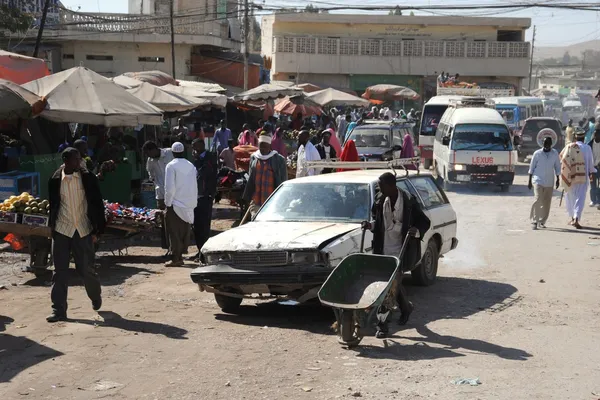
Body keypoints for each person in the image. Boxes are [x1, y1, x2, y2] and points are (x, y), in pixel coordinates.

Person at [362, 172, 430, 338]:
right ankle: (406, 307)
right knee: (391, 284)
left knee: (389, 289)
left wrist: (416, 231)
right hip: (383, 249)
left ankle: (382, 325)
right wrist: (370, 225)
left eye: (381, 185)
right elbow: (377, 221)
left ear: (391, 186)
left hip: (401, 250)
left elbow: (424, 222)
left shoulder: (408, 201)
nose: (379, 188)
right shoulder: (379, 200)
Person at [47, 148, 106, 322]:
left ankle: (95, 295)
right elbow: (53, 204)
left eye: (80, 159)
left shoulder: (87, 178)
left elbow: (97, 203)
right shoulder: (55, 180)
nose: (80, 162)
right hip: (62, 230)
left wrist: (98, 229)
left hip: (83, 229)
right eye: (76, 159)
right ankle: (58, 310)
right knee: (59, 272)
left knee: (86, 270)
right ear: (66, 161)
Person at [164, 142, 198, 267]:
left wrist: (167, 203)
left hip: (175, 203)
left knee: (174, 231)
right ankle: (180, 255)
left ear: (172, 153)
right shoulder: (191, 165)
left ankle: (176, 258)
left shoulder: (171, 166)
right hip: (188, 203)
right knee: (184, 230)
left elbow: (169, 188)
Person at [243, 134, 287, 218]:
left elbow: (283, 180)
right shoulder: (254, 157)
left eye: (265, 147)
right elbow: (251, 179)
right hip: (256, 201)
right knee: (256, 222)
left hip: (272, 202)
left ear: (270, 146)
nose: (262, 149)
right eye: (261, 146)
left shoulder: (278, 159)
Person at [560, 129, 597, 229]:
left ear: (575, 137)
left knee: (570, 198)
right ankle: (576, 218)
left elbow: (562, 159)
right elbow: (590, 163)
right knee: (580, 199)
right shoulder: (587, 148)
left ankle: (573, 218)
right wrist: (592, 173)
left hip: (570, 177)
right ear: (584, 137)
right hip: (582, 177)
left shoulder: (568, 146)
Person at [190, 138, 217, 262]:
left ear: (201, 145)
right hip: (196, 195)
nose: (194, 149)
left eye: (195, 146)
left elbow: (205, 173)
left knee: (204, 225)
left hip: (206, 196)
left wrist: (198, 159)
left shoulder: (210, 157)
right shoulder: (196, 158)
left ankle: (204, 253)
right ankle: (199, 250)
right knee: (197, 225)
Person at [528, 137, 561, 230]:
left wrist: (558, 179)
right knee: (538, 199)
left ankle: (542, 221)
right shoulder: (537, 153)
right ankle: (535, 221)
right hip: (538, 180)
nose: (546, 145)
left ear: (551, 144)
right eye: (545, 143)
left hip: (549, 181)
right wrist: (529, 181)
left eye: (548, 143)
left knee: (547, 202)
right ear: (542, 143)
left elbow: (557, 167)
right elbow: (531, 168)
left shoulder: (554, 154)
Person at [143, 141, 174, 211]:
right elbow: (149, 171)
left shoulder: (170, 152)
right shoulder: (150, 160)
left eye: (148, 153)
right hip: (160, 192)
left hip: (174, 190)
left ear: (154, 149)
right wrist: (154, 180)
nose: (148, 156)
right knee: (161, 212)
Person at [588, 127, 600, 207]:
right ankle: (593, 200)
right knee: (593, 184)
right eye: (595, 134)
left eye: (597, 134)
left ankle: (599, 200)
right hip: (592, 168)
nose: (596, 136)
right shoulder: (589, 145)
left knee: (599, 185)